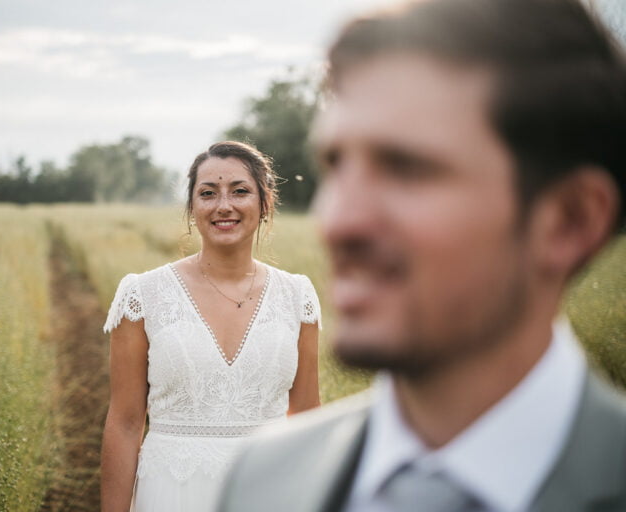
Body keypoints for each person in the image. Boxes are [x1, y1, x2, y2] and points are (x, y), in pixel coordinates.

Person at [217, 0, 626, 511]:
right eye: (336, 165)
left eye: (406, 168)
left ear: (570, 220)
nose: (338, 222)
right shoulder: (261, 478)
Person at [100, 140, 321, 512]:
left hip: (267, 492)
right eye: (207, 193)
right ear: (192, 208)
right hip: (170, 491)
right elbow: (124, 423)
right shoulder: (143, 294)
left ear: (265, 203)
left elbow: (306, 417)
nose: (224, 205)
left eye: (240, 191)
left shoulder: (297, 296)